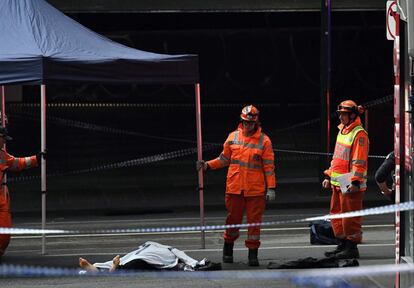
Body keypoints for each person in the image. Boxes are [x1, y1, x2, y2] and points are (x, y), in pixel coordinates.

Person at [196, 105, 276, 266]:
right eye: (246, 122)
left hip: (255, 190)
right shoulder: (232, 137)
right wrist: (207, 165)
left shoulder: (264, 141)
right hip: (235, 188)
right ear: (242, 121)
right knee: (233, 220)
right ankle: (228, 249)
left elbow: (269, 166)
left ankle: (252, 255)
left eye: (251, 123)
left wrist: (271, 188)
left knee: (254, 224)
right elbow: (224, 159)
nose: (248, 126)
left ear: (256, 123)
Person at [322, 100, 369, 259]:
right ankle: (342, 245)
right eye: (340, 114)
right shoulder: (343, 131)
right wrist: (329, 175)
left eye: (344, 115)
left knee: (350, 217)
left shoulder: (358, 133)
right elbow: (337, 158)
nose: (341, 117)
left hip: (349, 181)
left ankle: (351, 247)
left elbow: (359, 160)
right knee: (337, 215)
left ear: (352, 115)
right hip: (339, 180)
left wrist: (355, 182)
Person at [0, 126, 44, 256]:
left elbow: (16, 163)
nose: (4, 142)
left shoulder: (1, 154)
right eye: (3, 139)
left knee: (4, 234)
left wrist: (36, 159)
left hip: (1, 197)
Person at [78, 241, 221, 273]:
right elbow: (182, 256)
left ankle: (99, 267)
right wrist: (195, 263)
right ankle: (108, 267)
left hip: (138, 257)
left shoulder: (148, 245)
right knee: (125, 265)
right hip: (143, 259)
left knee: (108, 264)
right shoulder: (170, 249)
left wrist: (195, 263)